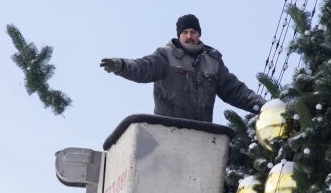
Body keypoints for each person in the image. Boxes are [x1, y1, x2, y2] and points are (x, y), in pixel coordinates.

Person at [100, 14, 265, 123]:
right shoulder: (166, 56)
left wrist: (264, 107)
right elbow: (144, 67)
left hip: (202, 134)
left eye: (193, 32)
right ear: (179, 35)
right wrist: (121, 65)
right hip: (168, 132)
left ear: (199, 34)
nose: (189, 36)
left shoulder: (213, 62)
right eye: (185, 32)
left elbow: (234, 91)